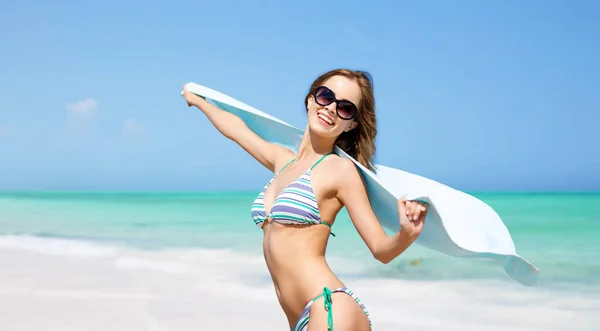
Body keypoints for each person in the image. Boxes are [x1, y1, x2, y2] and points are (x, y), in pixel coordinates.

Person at [182, 68, 428, 331]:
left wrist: (407, 233)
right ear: (311, 99)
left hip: (329, 307)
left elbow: (381, 250)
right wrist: (198, 101)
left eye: (345, 108)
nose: (331, 108)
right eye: (326, 96)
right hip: (299, 318)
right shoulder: (282, 161)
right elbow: (236, 129)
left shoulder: (340, 171)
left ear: (351, 124)